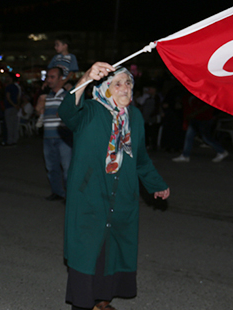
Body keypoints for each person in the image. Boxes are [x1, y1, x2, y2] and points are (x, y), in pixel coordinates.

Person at [59, 62, 170, 310]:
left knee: (113, 251)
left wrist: (156, 184)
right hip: (89, 196)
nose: (125, 88)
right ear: (105, 87)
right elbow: (67, 111)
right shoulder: (89, 111)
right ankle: (84, 304)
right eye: (118, 83)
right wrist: (86, 77)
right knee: (88, 251)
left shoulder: (135, 117)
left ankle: (102, 302)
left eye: (128, 83)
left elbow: (140, 158)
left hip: (121, 197)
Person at [36, 67, 72, 201]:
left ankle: (70, 196)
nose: (49, 80)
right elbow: (38, 110)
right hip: (48, 136)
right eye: (48, 77)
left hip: (63, 137)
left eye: (52, 77)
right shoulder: (46, 96)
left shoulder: (67, 95)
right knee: (51, 167)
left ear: (60, 79)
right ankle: (57, 192)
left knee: (67, 168)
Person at [172, 95, 228, 163]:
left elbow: (207, 106)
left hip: (204, 119)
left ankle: (221, 151)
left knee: (206, 137)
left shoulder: (205, 94)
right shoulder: (192, 94)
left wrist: (194, 113)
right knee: (189, 137)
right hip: (195, 118)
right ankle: (185, 155)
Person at [3, 75, 22, 146]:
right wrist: (17, 105)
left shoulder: (8, 87)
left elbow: (8, 97)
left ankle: (10, 140)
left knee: (9, 125)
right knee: (15, 124)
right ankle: (15, 139)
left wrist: (13, 105)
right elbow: (18, 97)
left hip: (9, 107)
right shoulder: (16, 87)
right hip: (15, 107)